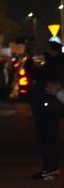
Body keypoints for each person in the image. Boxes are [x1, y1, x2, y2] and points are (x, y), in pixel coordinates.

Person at [29, 36, 64, 180]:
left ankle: (51, 168)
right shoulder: (54, 62)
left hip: (49, 105)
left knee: (47, 137)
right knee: (48, 138)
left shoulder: (54, 64)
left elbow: (38, 74)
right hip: (50, 104)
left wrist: (31, 61)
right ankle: (51, 167)